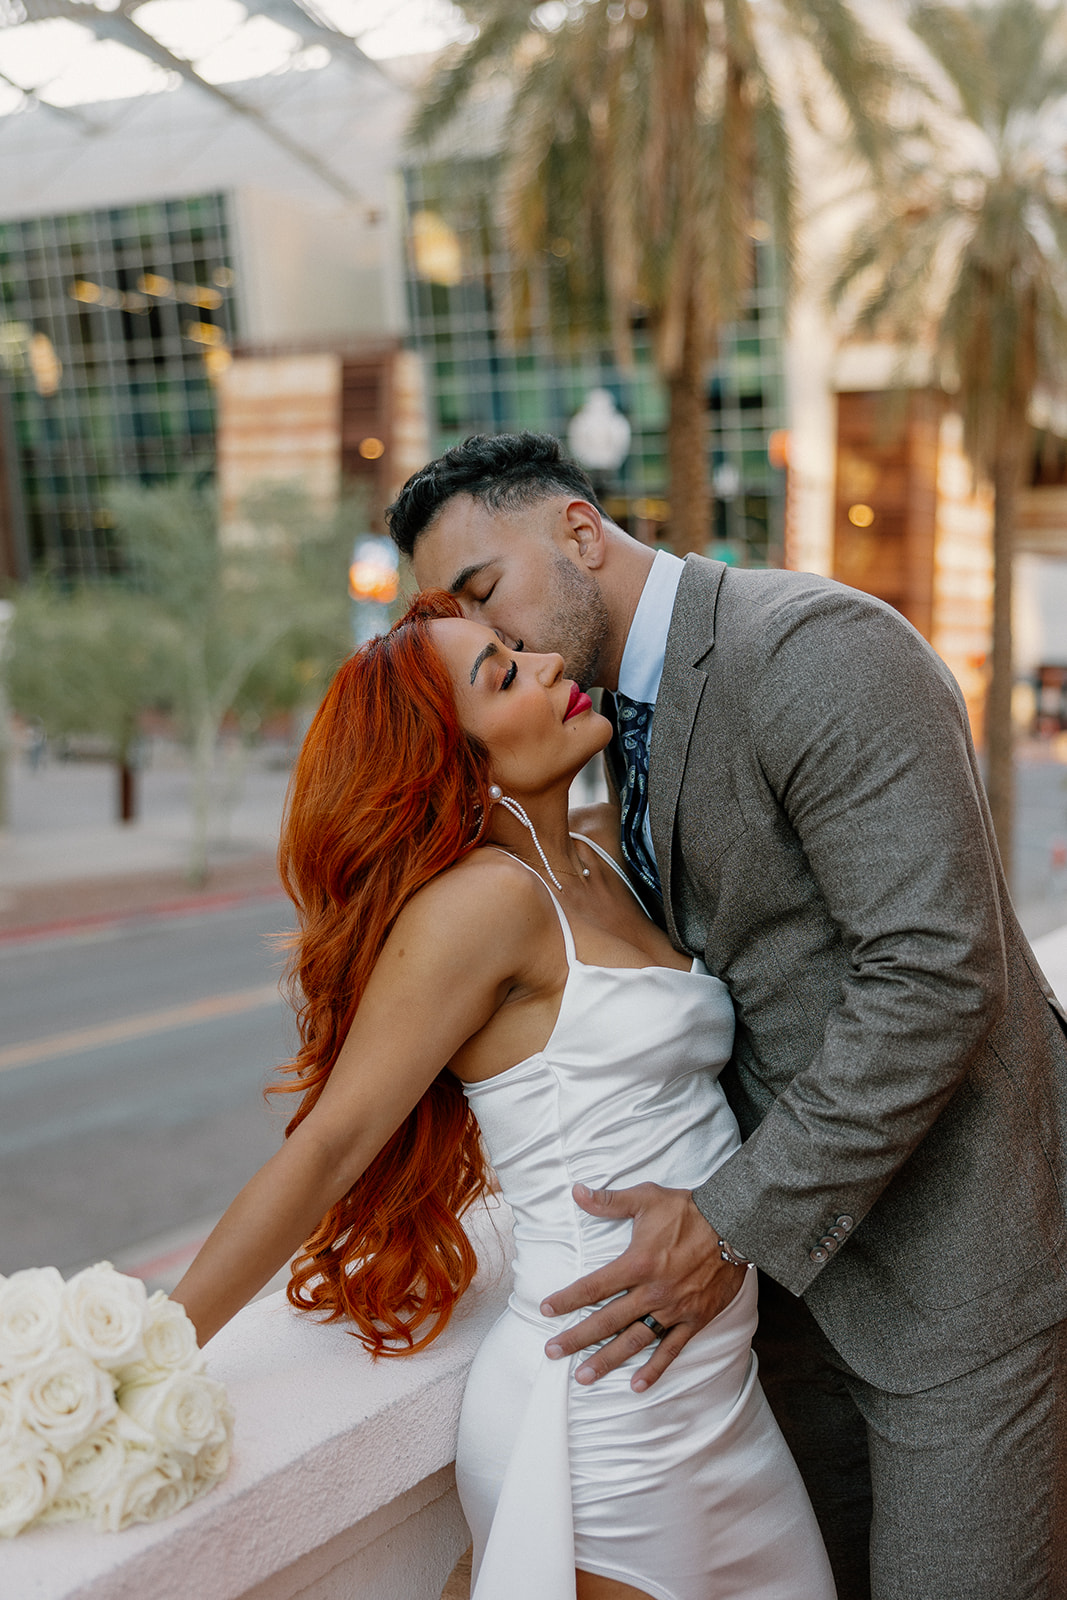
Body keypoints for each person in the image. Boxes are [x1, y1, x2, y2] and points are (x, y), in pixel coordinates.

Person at [387, 431, 1067, 1600]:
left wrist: (728, 1217)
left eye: (485, 597)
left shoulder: (811, 650)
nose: (489, 644)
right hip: (794, 1316)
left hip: (964, 1288)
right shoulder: (615, 729)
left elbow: (933, 974)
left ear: (578, 531)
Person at [170, 590, 836, 1600]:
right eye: (501, 674)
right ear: (456, 765)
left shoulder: (602, 856)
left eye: (518, 650)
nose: (544, 666)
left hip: (716, 1395)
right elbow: (330, 1147)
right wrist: (149, 1352)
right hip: (605, 1422)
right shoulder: (483, 906)